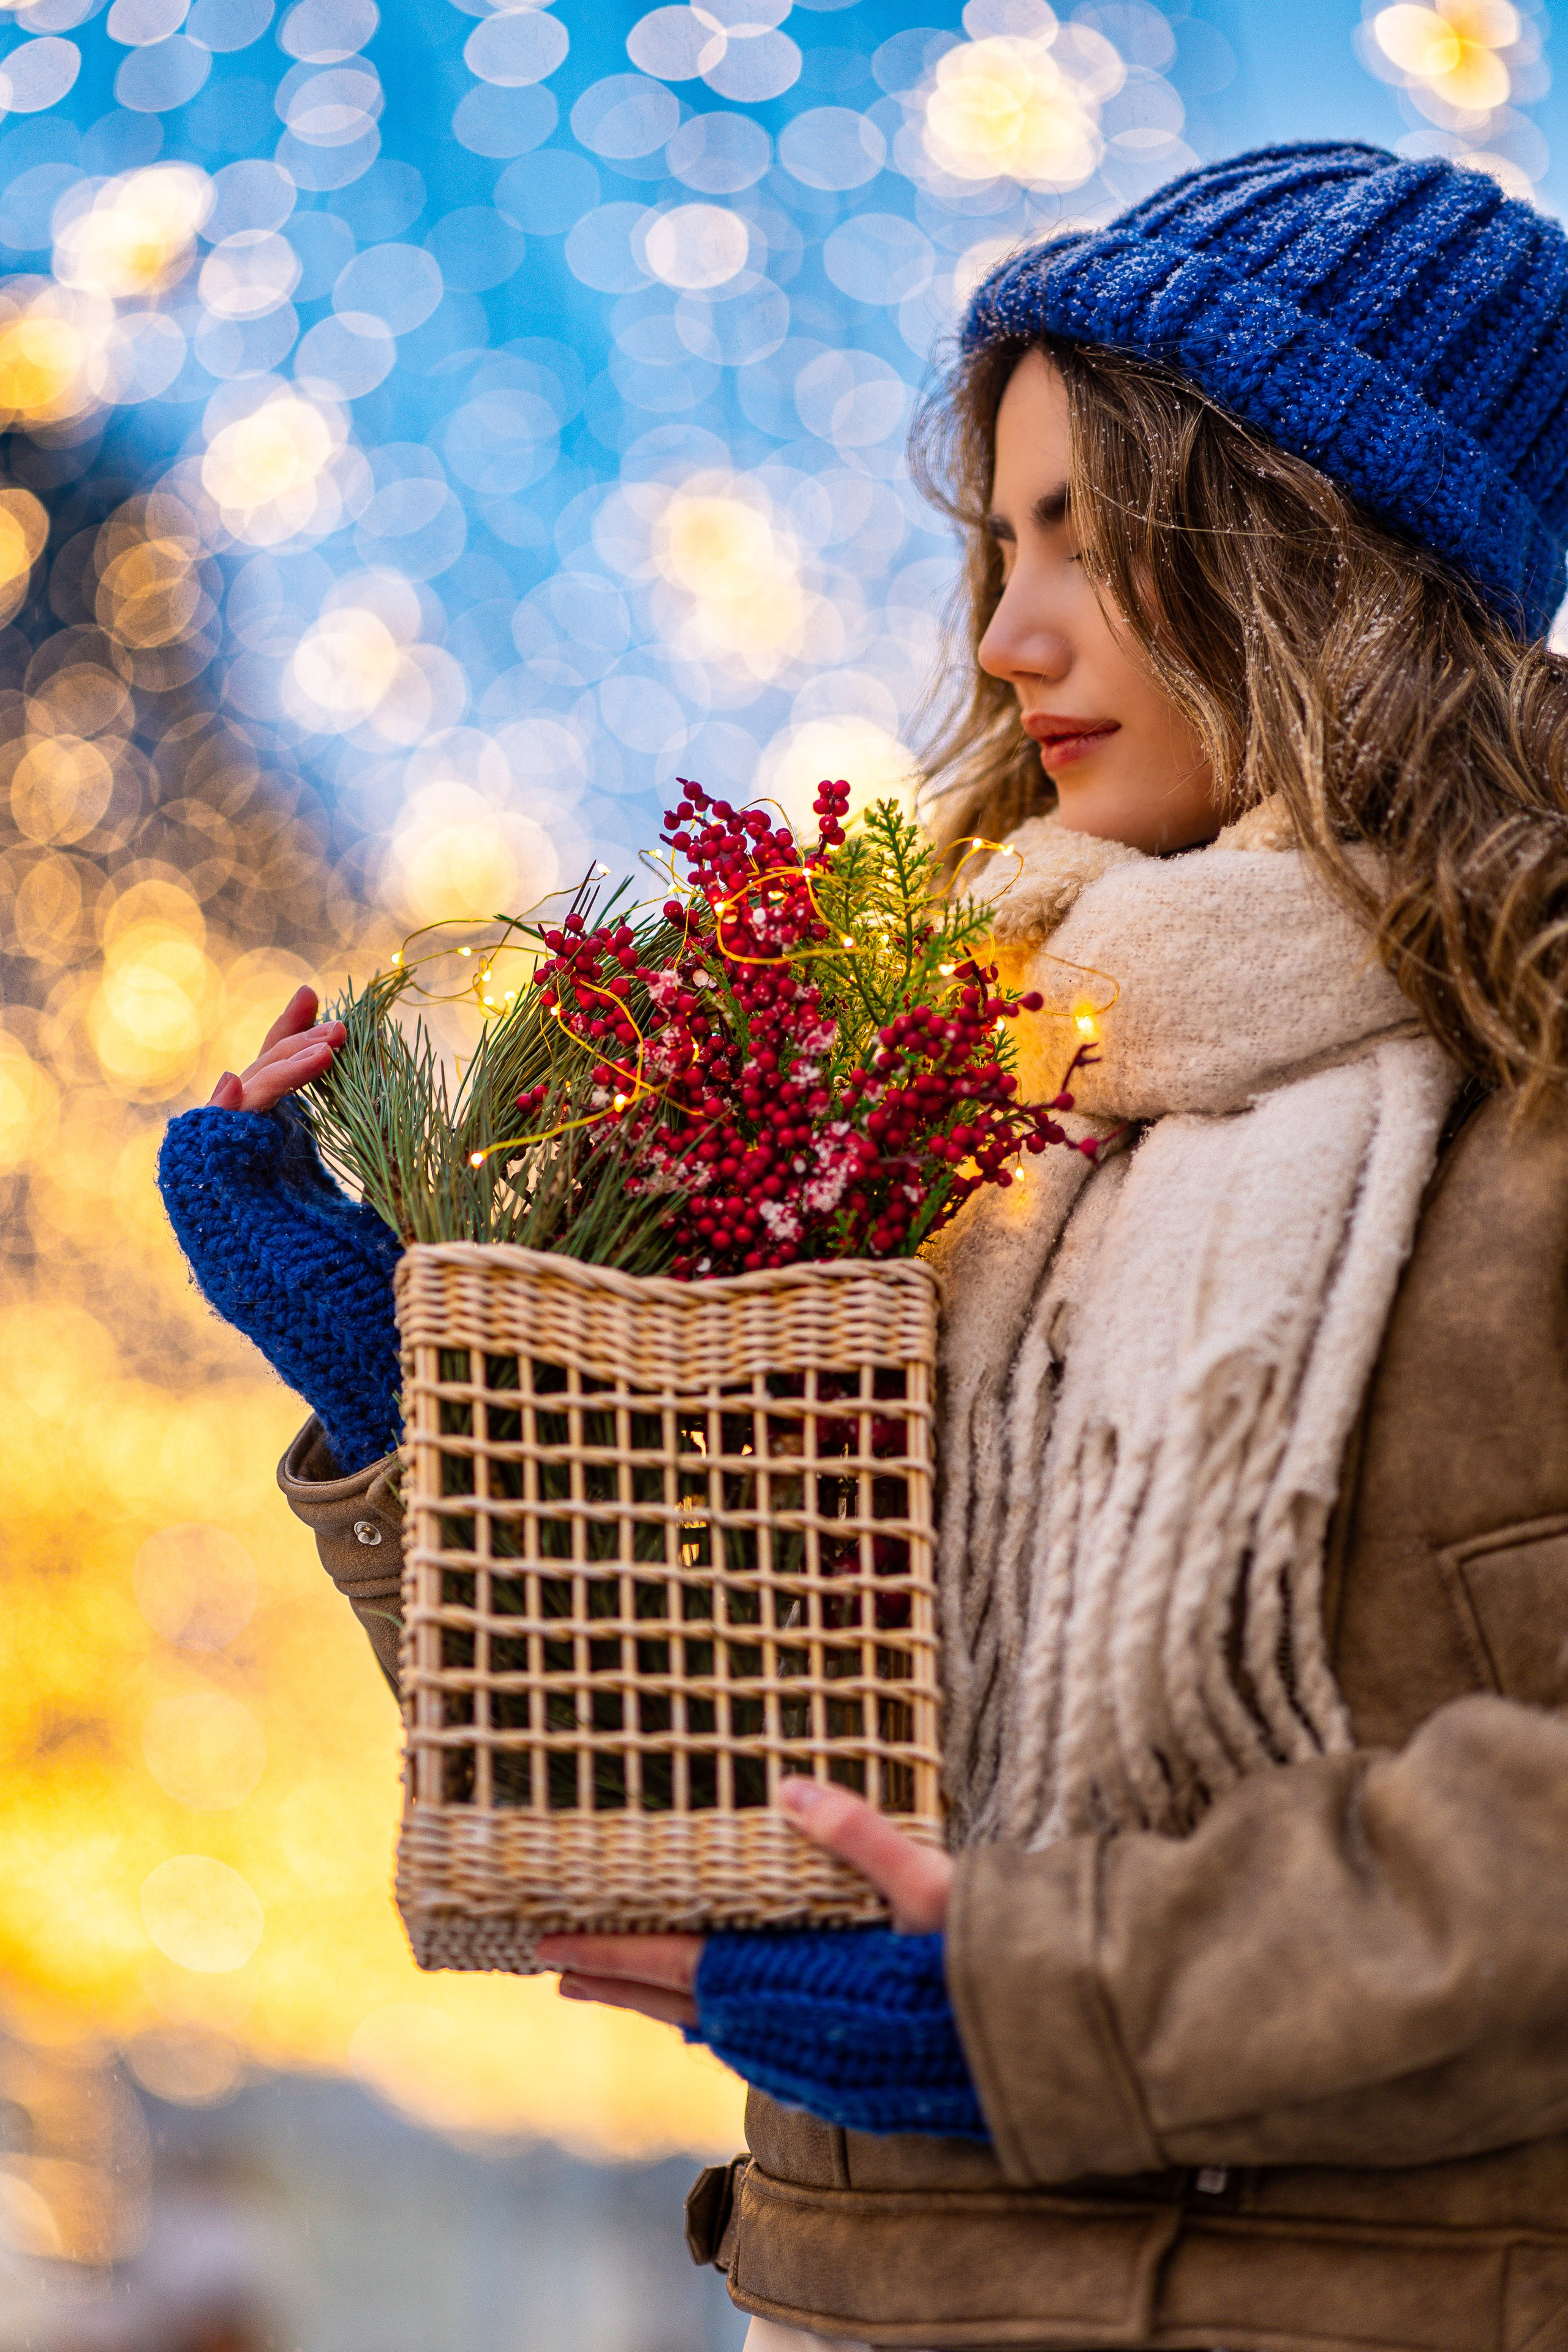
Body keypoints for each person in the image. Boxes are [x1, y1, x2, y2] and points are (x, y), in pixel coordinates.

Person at [158, 143, 1568, 2352]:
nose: (1009, 640)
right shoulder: (923, 1097)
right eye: (1002, 547)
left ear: (1317, 562)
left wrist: (1020, 2006)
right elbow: (686, 1709)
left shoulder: (1540, 1099)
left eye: (1097, 546)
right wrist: (403, 1374)